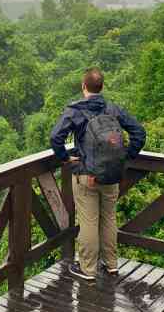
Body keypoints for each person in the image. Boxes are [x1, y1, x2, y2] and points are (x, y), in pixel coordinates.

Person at [50, 67, 146, 281]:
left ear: (83, 86)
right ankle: (111, 265)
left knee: (89, 221)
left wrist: (65, 158)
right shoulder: (112, 108)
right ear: (101, 87)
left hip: (86, 175)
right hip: (112, 174)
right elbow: (139, 132)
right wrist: (125, 156)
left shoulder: (74, 111)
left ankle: (88, 269)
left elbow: (56, 137)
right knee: (109, 218)